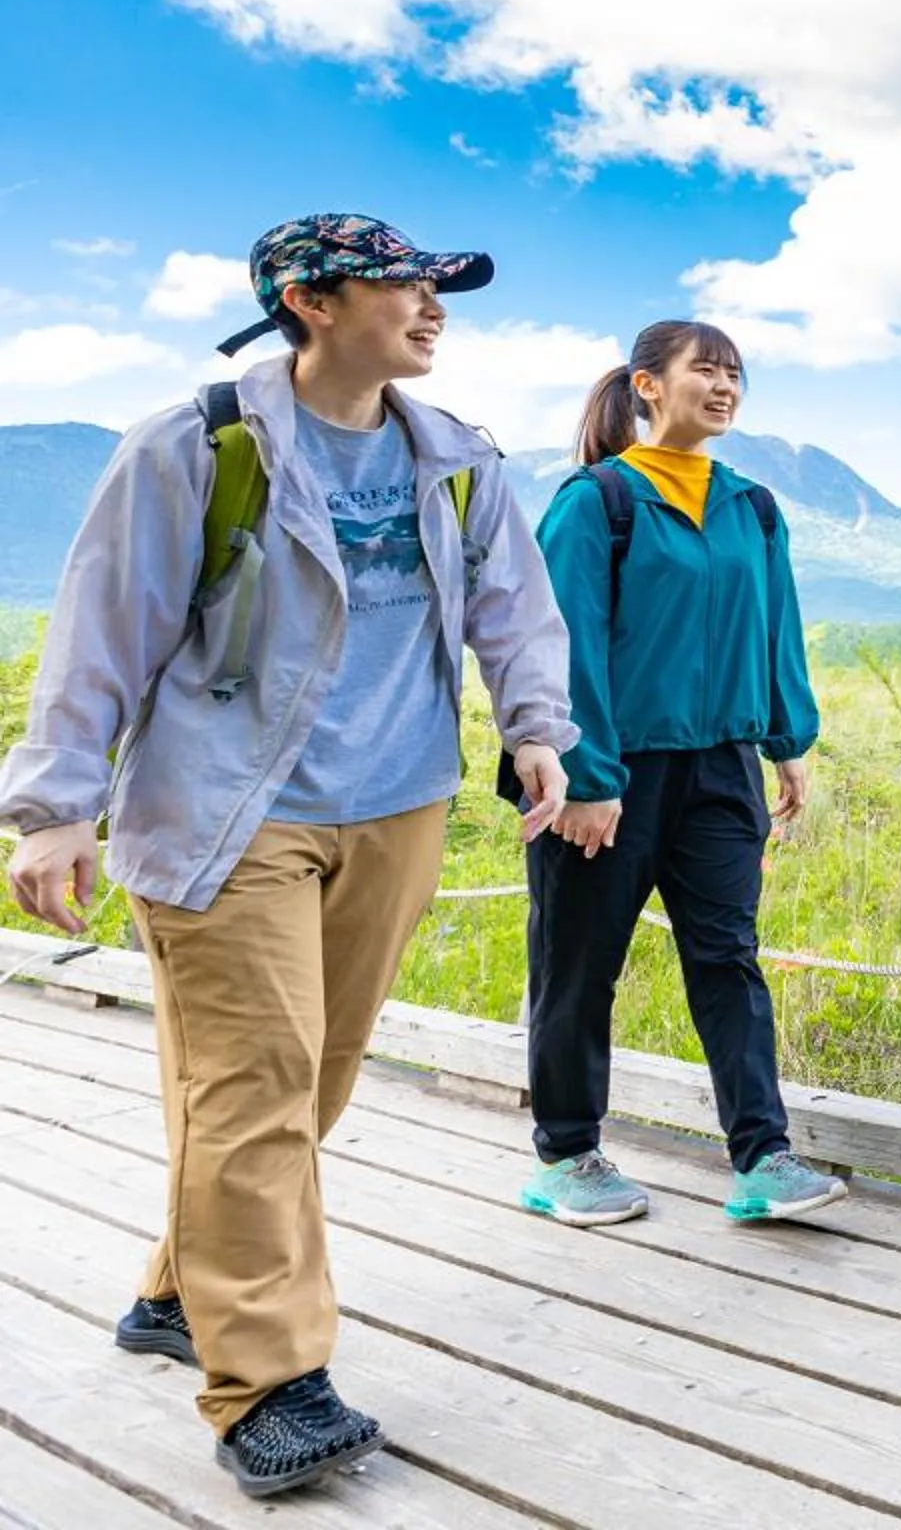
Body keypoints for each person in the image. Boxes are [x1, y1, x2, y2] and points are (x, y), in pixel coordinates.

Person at [0, 216, 576, 1499]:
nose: (434, 307)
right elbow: (102, 623)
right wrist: (53, 802)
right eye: (407, 285)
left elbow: (513, 609)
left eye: (441, 287)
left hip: (396, 805)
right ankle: (268, 1380)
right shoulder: (200, 446)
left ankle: (176, 1288)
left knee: (309, 1084)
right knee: (256, 1087)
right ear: (310, 302)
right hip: (226, 812)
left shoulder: (459, 458)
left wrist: (539, 729)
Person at [517, 318, 843, 1229]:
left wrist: (787, 739)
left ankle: (763, 1157)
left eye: (736, 373)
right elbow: (561, 644)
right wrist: (585, 776)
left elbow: (776, 625)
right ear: (648, 384)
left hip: (721, 771)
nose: (726, 386)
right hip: (612, 772)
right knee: (579, 964)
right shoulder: (598, 501)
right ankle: (568, 1155)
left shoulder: (754, 507)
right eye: (707, 369)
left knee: (728, 959)